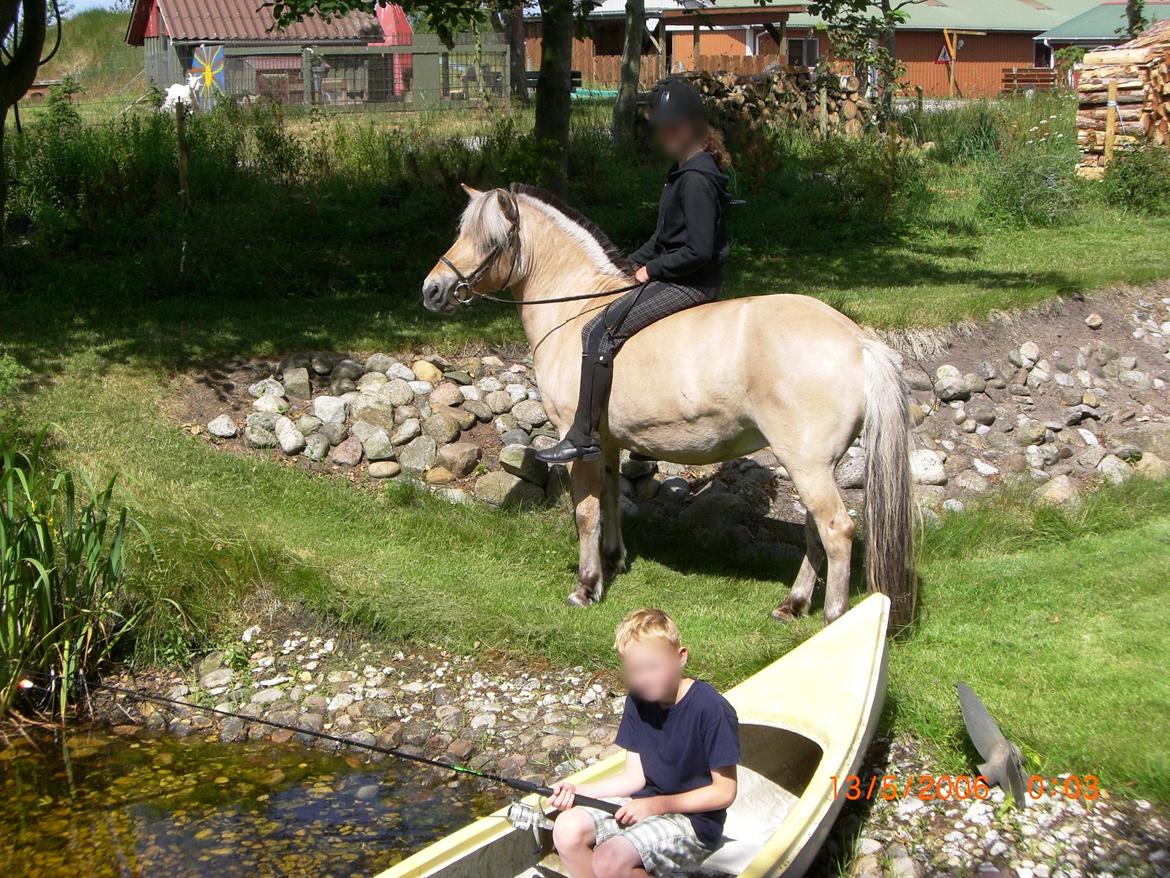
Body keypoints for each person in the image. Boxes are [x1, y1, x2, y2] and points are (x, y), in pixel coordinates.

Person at [536, 78, 733, 464]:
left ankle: (583, 435)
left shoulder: (696, 179)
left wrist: (650, 271)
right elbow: (664, 237)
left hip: (691, 282)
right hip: (680, 274)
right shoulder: (682, 170)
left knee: (598, 330)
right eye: (662, 126)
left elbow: (698, 250)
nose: (665, 134)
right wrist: (626, 265)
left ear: (694, 125)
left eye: (673, 126)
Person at [548, 608, 740, 878]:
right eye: (635, 671)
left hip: (695, 821)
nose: (644, 678)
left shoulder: (711, 708)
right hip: (644, 802)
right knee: (566, 830)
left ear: (681, 657)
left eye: (653, 667)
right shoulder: (637, 700)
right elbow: (633, 778)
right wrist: (579, 790)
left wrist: (657, 806)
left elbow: (724, 792)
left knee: (609, 860)